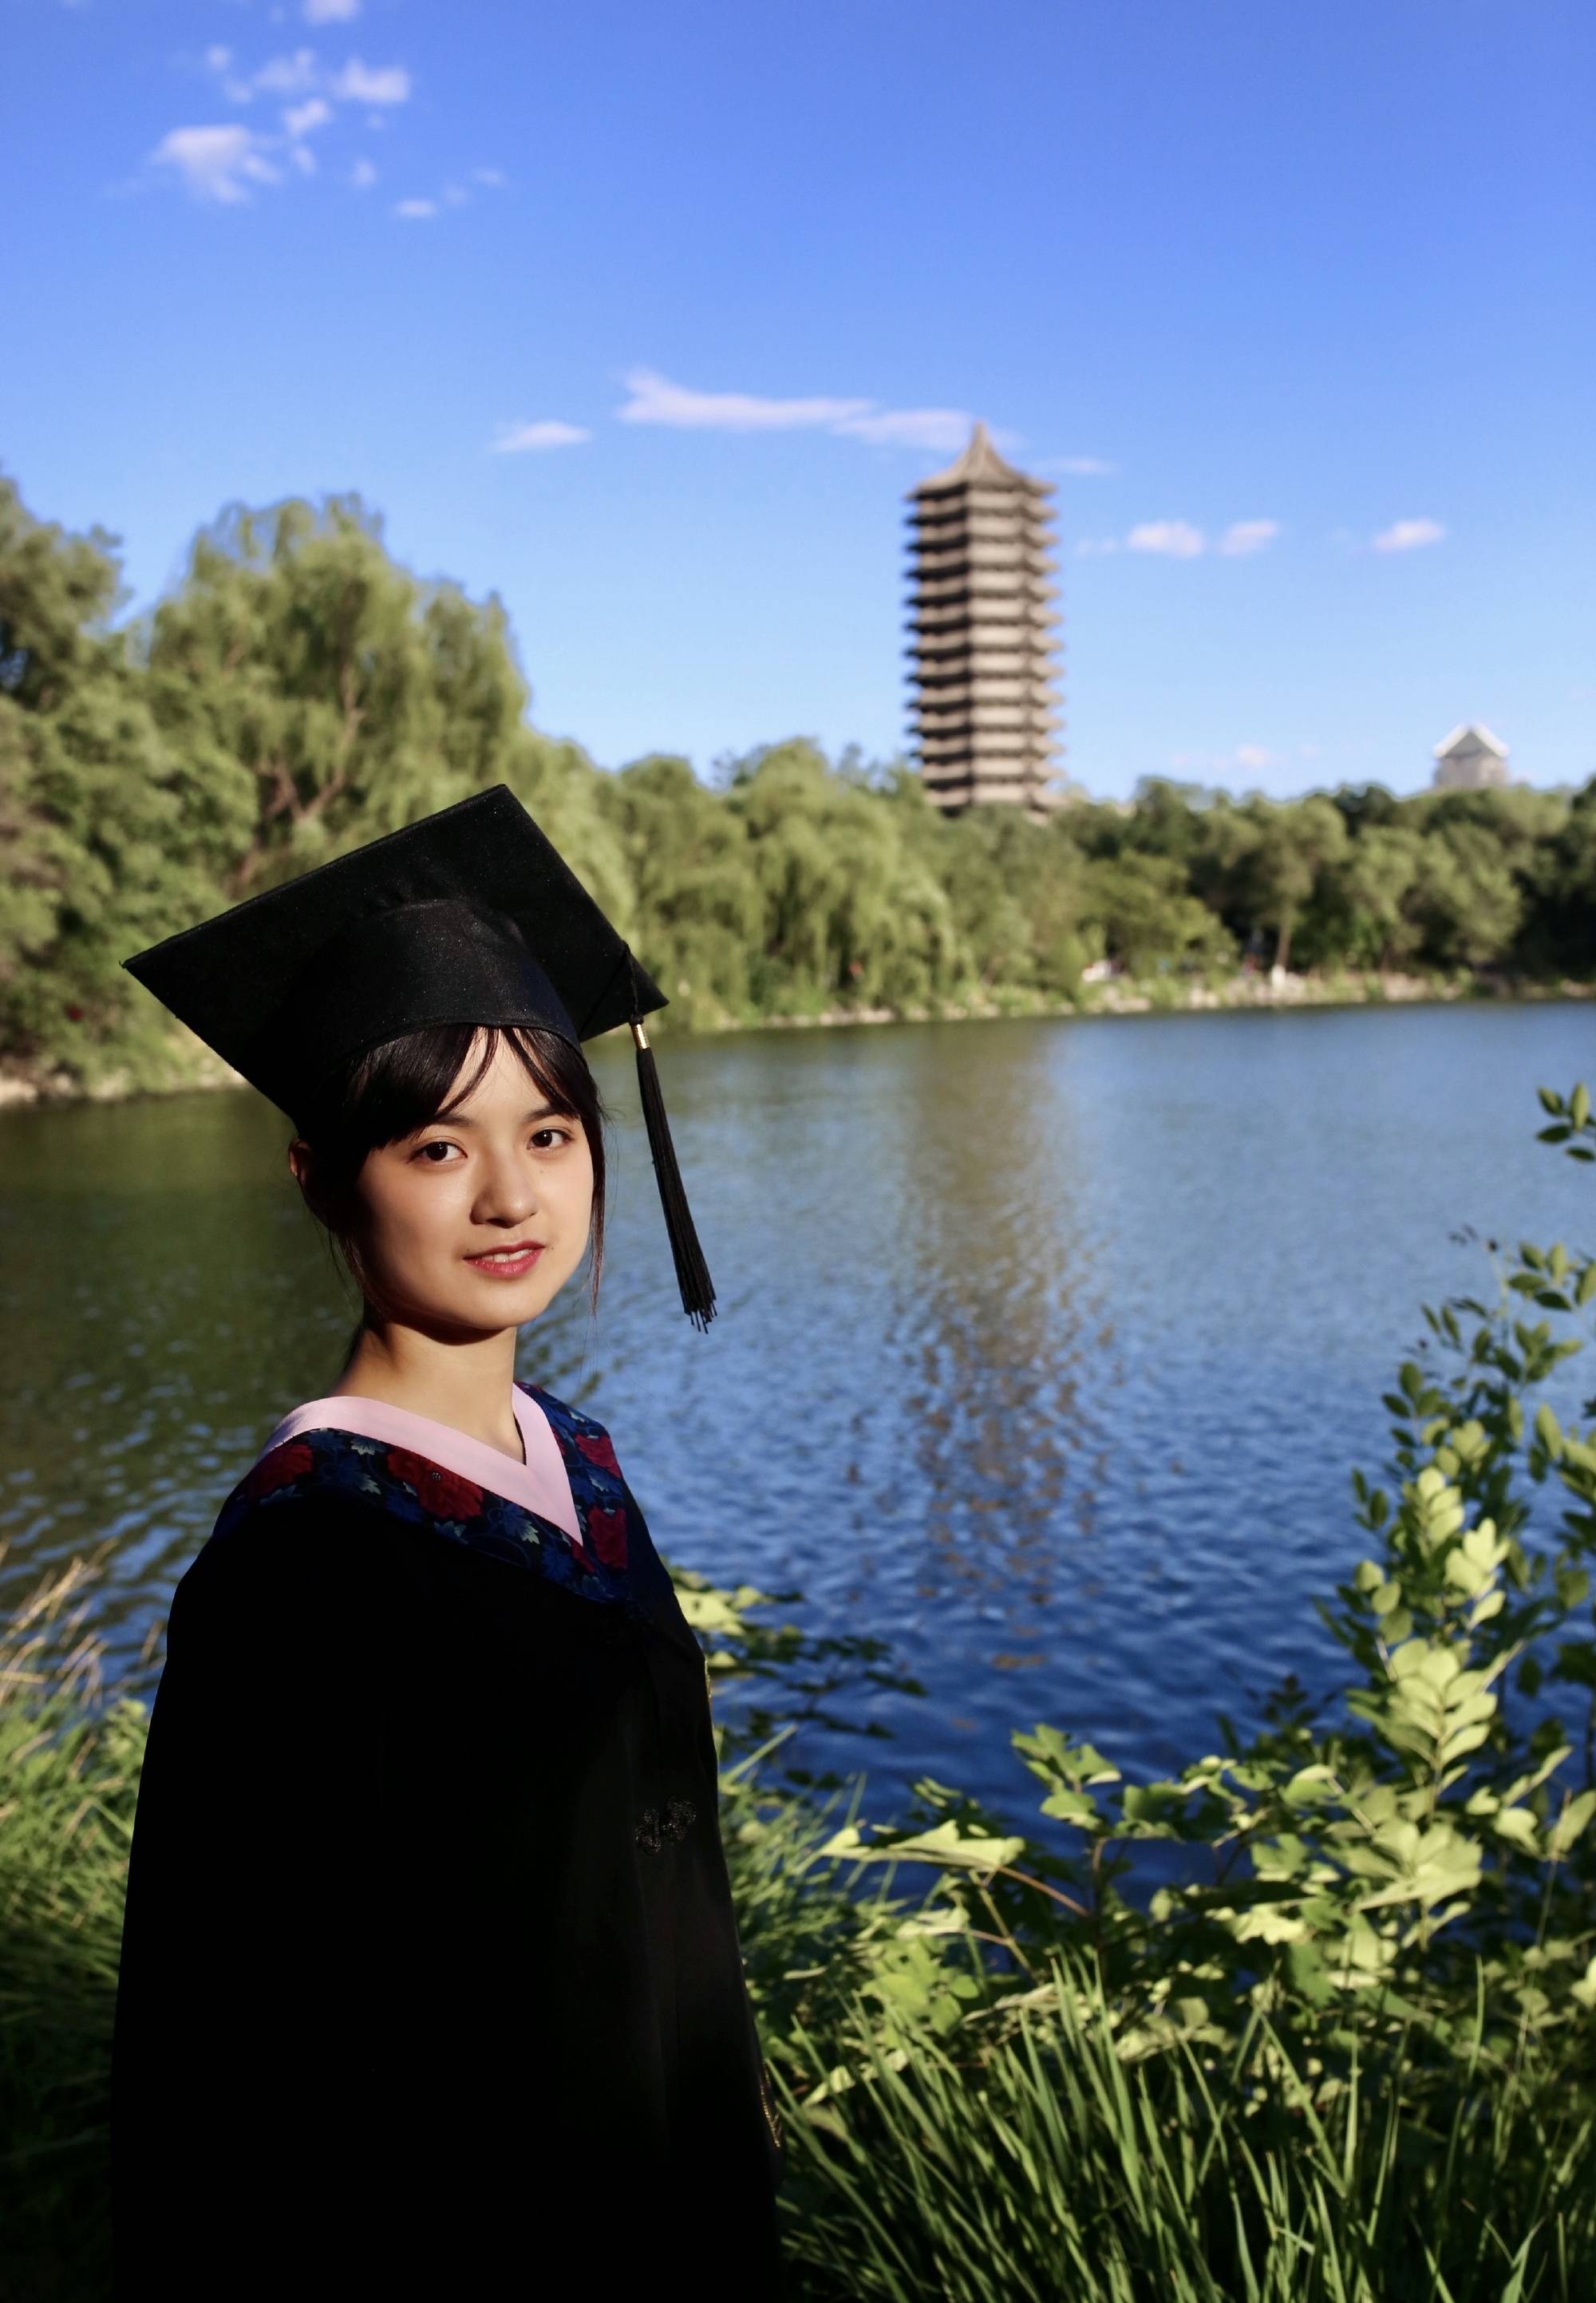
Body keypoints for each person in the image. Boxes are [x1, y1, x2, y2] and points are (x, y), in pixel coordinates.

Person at [111, 788, 785, 2299]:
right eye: (433, 1145)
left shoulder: (581, 1471)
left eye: (549, 1130)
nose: (510, 1194)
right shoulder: (306, 1560)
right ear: (322, 1180)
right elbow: (223, 2050)